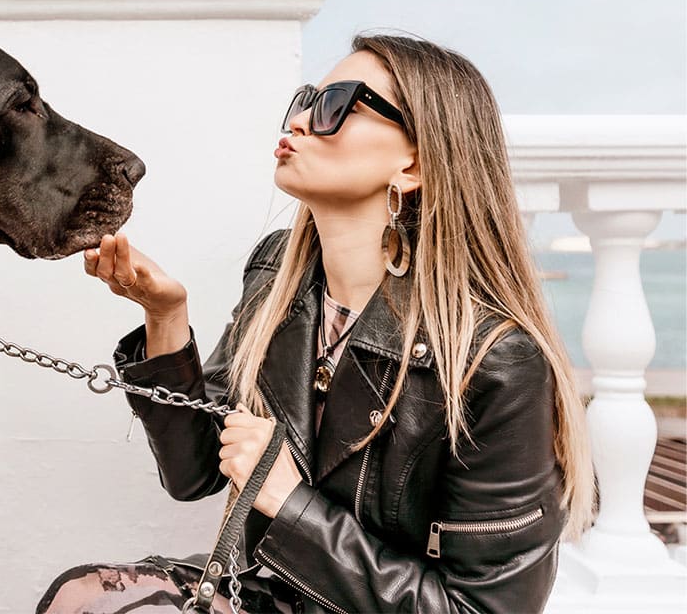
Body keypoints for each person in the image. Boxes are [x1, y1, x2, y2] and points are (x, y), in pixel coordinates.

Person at [36, 33, 593, 614]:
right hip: (269, 595)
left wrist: (288, 501)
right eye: (305, 99)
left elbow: (482, 607)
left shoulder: (495, 359)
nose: (300, 121)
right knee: (82, 598)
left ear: (414, 163)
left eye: (337, 104)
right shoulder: (280, 277)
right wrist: (165, 318)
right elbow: (193, 474)